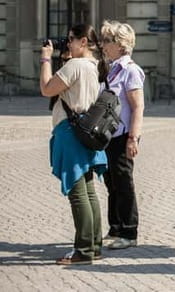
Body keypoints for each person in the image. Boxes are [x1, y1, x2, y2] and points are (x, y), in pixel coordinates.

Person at [40, 24, 107, 265]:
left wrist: (45, 59)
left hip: (71, 133)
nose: (68, 43)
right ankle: (94, 246)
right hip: (86, 131)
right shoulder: (93, 65)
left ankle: (83, 251)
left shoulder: (75, 66)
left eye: (71, 39)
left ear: (83, 41)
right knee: (88, 192)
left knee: (78, 194)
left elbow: (47, 89)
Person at [99, 20, 146, 250]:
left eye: (107, 40)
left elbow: (138, 107)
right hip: (108, 135)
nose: (103, 45)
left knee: (124, 183)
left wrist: (133, 138)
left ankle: (129, 232)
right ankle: (115, 227)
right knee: (111, 183)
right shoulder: (111, 68)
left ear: (121, 44)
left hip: (123, 134)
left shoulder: (130, 70)